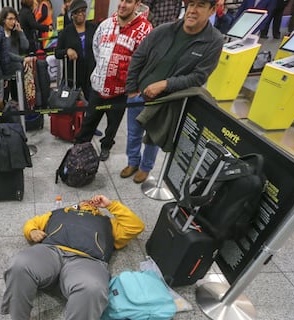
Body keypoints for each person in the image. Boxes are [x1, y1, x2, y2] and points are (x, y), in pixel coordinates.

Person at [1, 194, 144, 320]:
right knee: (18, 265)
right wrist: (32, 231)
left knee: (93, 288)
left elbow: (136, 226)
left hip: (88, 260)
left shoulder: (108, 223)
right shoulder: (57, 213)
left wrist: (111, 205)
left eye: (92, 203)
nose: (87, 202)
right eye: (84, 201)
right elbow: (31, 223)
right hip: (51, 251)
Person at [122, 0, 223, 184]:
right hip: (138, 96)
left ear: (212, 10)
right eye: (191, 4)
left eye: (200, 5)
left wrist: (165, 84)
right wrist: (131, 90)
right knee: (133, 133)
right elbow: (138, 56)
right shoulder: (164, 30)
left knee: (154, 136)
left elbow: (198, 77)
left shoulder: (213, 41)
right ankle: (132, 162)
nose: (192, 10)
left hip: (165, 101)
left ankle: (145, 167)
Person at [75, 0, 152, 162]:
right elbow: (96, 47)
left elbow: (145, 61)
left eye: (129, 2)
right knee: (89, 120)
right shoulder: (106, 24)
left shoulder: (144, 29)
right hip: (98, 87)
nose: (123, 5)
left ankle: (106, 146)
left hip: (120, 91)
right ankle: (80, 145)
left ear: (137, 4)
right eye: (121, 0)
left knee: (112, 125)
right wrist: (105, 67)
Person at [54, 0, 97, 100]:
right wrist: (67, 51)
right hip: (72, 76)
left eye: (83, 11)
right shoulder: (66, 32)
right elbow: (57, 53)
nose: (81, 14)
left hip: (90, 75)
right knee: (72, 107)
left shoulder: (93, 28)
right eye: (77, 12)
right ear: (72, 14)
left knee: (91, 107)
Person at [0, 6, 29, 101]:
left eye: (14, 19)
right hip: (5, 73)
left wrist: (21, 32)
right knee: (4, 100)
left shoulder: (15, 33)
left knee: (19, 100)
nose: (13, 22)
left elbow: (25, 46)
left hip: (17, 71)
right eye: (10, 19)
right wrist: (22, 59)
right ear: (4, 20)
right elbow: (5, 54)